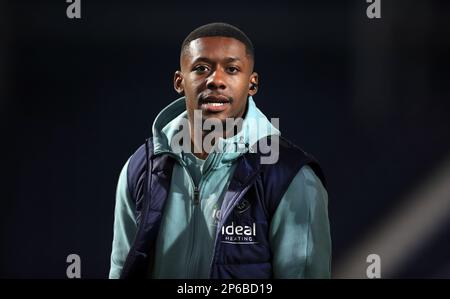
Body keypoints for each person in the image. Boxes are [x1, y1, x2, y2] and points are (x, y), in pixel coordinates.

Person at [109, 22, 331, 279]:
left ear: (252, 83)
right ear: (179, 81)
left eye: (232, 69)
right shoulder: (140, 168)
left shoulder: (292, 178)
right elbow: (121, 270)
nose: (216, 80)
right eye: (201, 68)